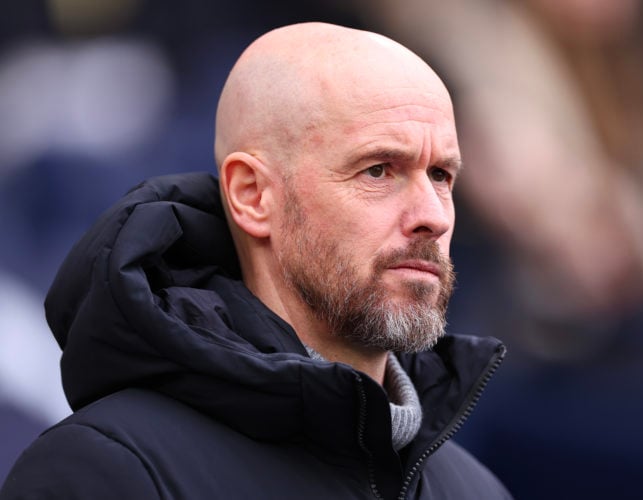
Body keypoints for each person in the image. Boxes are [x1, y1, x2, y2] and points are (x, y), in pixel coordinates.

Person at [0, 22, 511, 499]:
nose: (432, 217)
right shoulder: (109, 472)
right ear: (252, 195)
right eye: (378, 170)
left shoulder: (476, 489)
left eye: (442, 176)